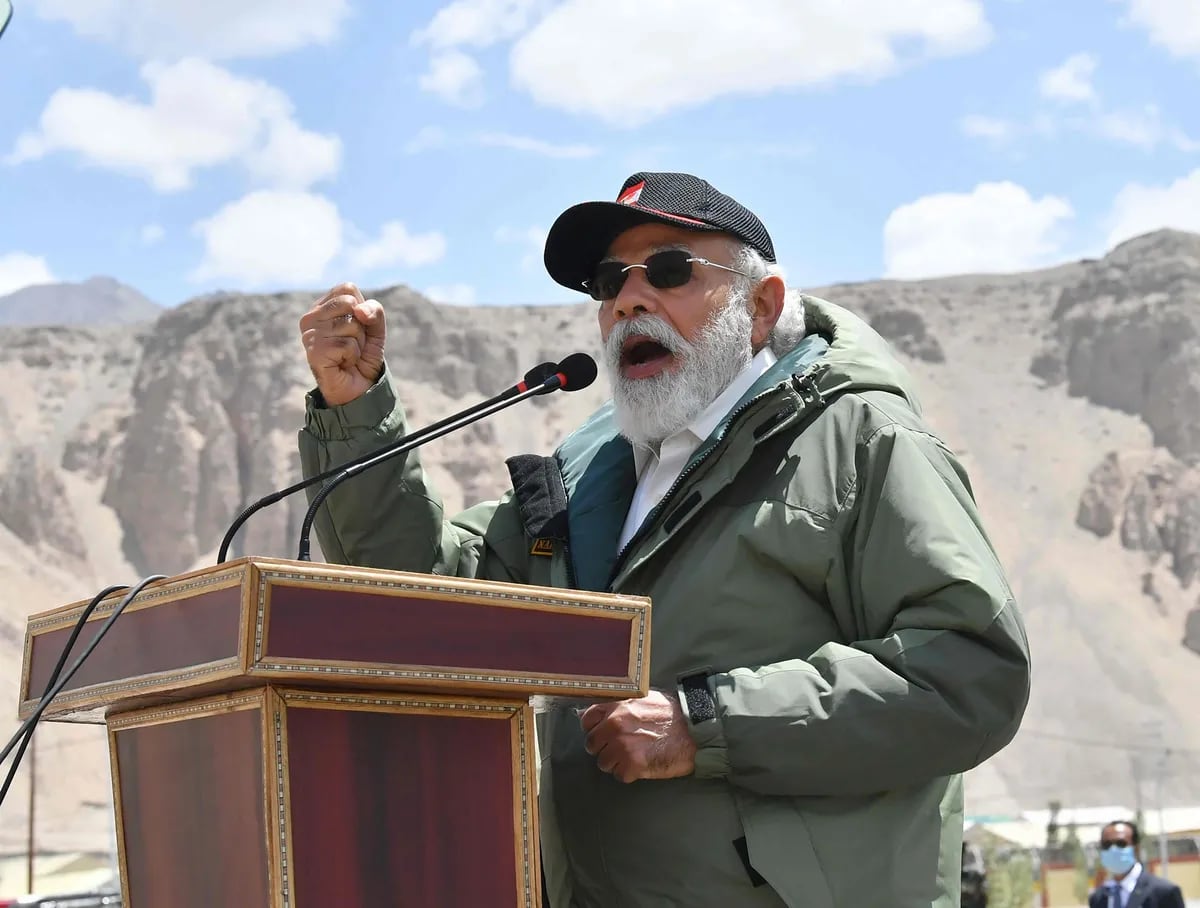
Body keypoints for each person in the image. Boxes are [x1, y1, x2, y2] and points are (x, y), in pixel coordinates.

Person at [296, 171, 1032, 907]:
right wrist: (355, 408)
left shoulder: (861, 442)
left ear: (761, 305)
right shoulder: (589, 475)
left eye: (670, 270)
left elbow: (969, 671)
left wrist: (706, 724)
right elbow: (425, 591)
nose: (629, 299)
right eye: (609, 281)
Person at [1089, 820, 1185, 908]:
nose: (1113, 850)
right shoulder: (1098, 897)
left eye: (1121, 844)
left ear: (1136, 849)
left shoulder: (1164, 892)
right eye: (1107, 845)